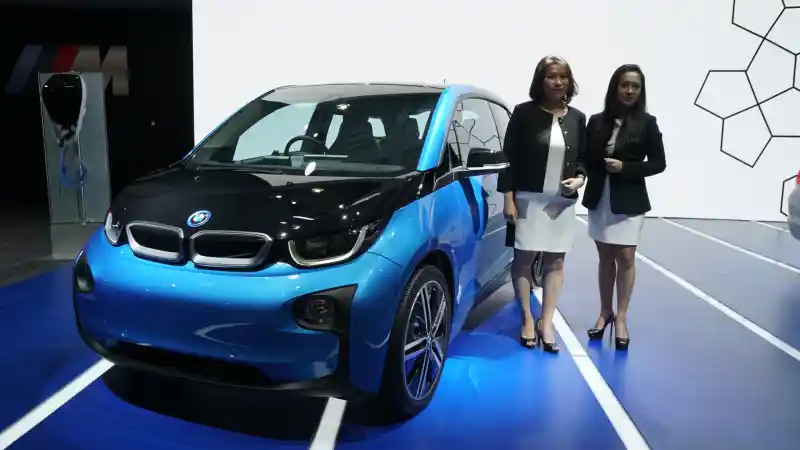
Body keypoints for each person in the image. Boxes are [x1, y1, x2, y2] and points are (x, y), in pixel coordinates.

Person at [497, 55, 587, 353]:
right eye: (551, 76)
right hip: (527, 199)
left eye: (563, 76)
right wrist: (508, 197)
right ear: (541, 80)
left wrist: (580, 178)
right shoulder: (523, 113)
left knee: (556, 262)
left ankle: (546, 321)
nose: (558, 82)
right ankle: (526, 317)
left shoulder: (578, 118)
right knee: (523, 259)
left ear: (569, 81)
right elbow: (509, 158)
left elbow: (583, 159)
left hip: (561, 202)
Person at [582, 64, 666, 350]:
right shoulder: (596, 121)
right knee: (605, 257)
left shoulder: (647, 123)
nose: (630, 90)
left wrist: (625, 168)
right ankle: (605, 312)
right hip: (600, 196)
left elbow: (659, 163)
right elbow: (586, 159)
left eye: (635, 86)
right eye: (625, 85)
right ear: (614, 87)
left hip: (629, 198)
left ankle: (622, 318)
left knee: (626, 257)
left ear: (641, 91)